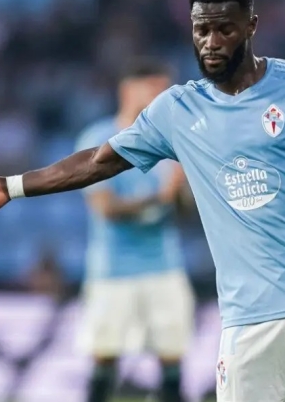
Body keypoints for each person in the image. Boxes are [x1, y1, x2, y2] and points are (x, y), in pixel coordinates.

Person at [0, 0, 285, 401]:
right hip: (249, 315)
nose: (212, 42)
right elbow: (96, 161)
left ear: (251, 26)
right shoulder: (179, 110)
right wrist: (9, 186)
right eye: (202, 30)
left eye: (225, 29)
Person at [75, 60, 193, 402]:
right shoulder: (98, 139)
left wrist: (183, 191)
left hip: (165, 265)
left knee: (172, 358)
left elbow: (185, 214)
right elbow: (105, 208)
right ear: (128, 90)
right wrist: (160, 197)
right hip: (113, 269)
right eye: (155, 88)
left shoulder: (172, 142)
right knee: (104, 357)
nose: (162, 97)